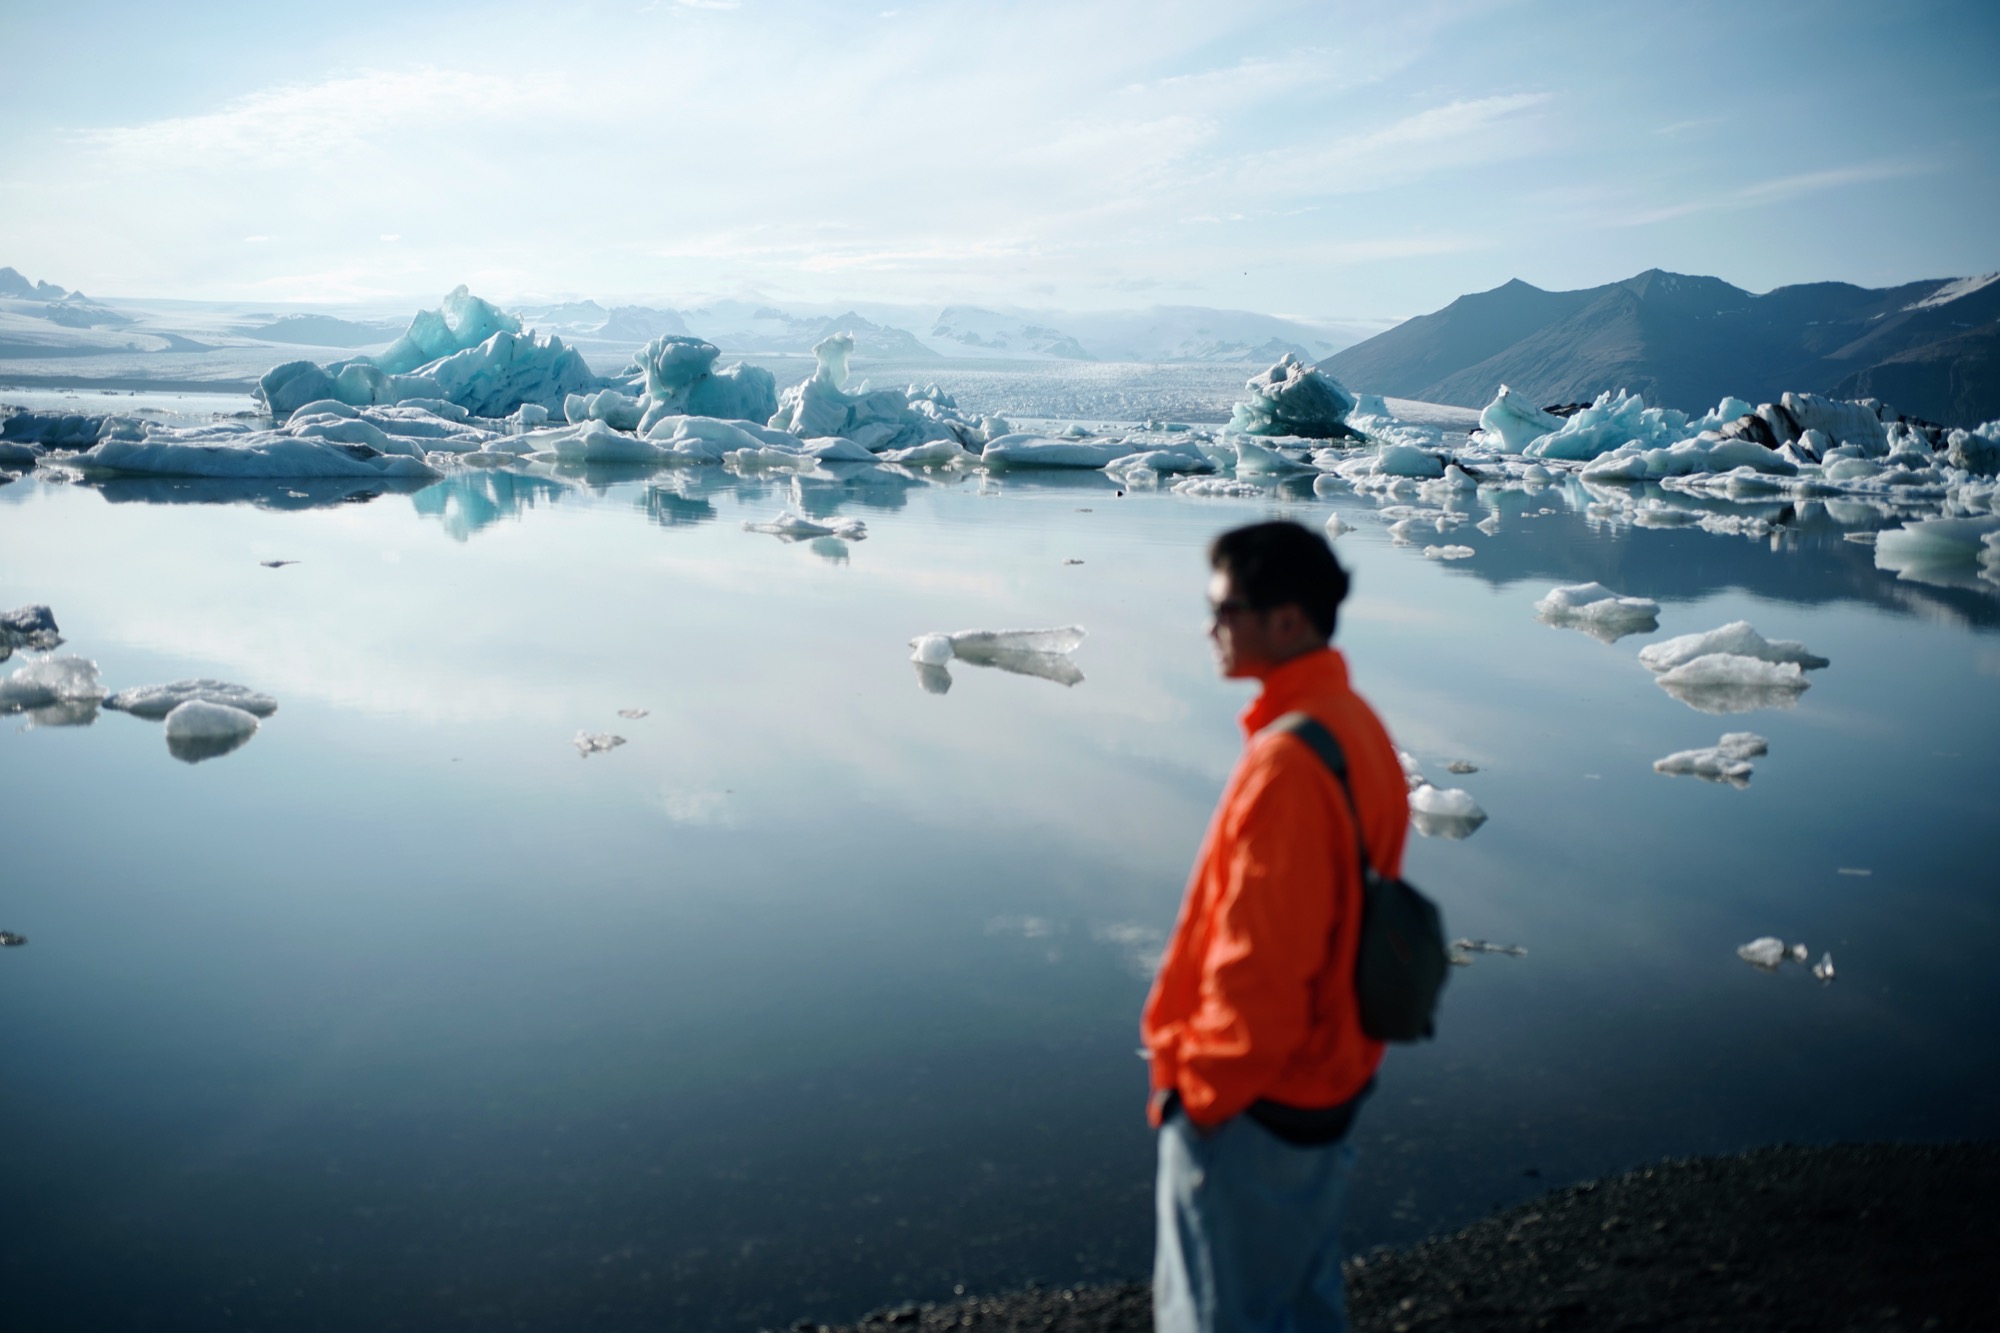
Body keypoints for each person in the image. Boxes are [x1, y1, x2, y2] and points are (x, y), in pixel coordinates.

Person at [1142, 519, 1409, 1333]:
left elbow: (1262, 962)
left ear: (1286, 618)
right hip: (1327, 1078)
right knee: (1299, 1307)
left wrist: (1199, 1092)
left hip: (1257, 1103)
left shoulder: (1289, 764)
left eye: (1225, 607)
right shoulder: (1353, 724)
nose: (1210, 626)